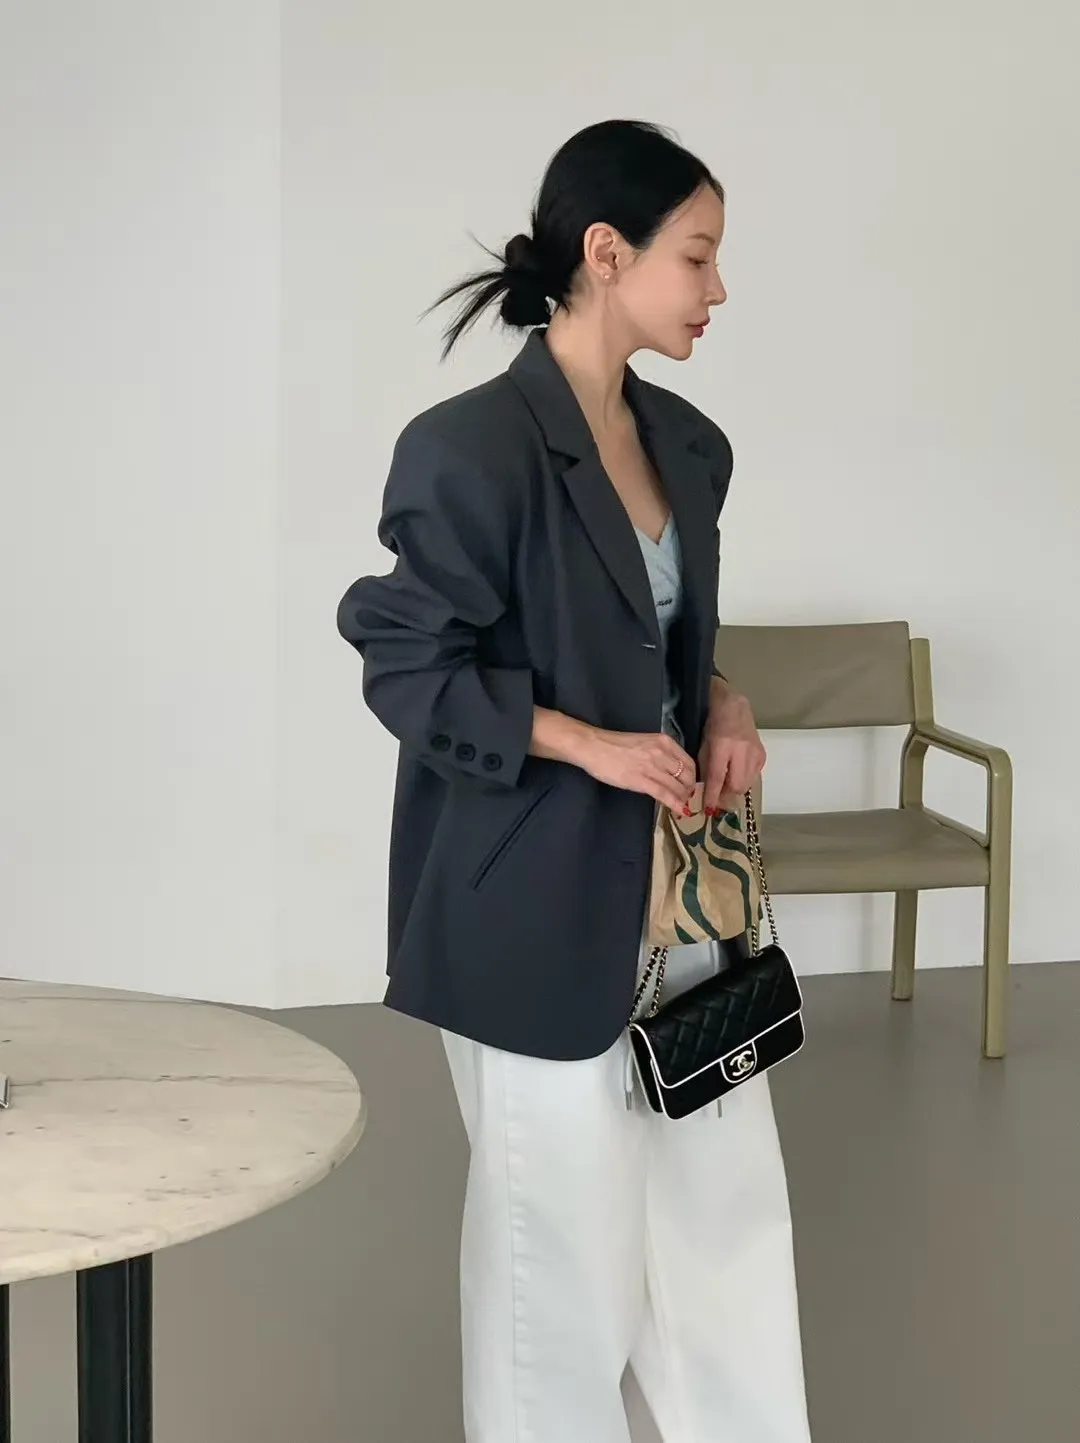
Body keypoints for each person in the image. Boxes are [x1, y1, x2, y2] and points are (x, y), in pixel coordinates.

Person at [337, 119, 812, 1443]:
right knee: (557, 1263)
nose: (718, 289)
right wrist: (589, 742)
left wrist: (722, 699)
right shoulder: (470, 450)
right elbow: (408, 665)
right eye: (697, 257)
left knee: (728, 1237)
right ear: (608, 252)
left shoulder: (691, 446)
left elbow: (657, 640)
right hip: (530, 901)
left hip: (686, 902)